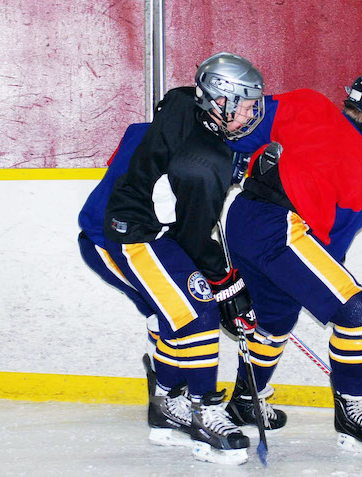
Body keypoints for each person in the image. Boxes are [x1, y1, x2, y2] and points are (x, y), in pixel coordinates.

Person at [77, 52, 264, 465]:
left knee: (176, 313)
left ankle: (166, 406)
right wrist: (229, 287)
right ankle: (202, 409)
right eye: (248, 104)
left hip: (149, 226)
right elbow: (195, 237)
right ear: (220, 102)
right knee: (199, 310)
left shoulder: (185, 102)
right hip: (134, 232)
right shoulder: (205, 165)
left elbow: (174, 107)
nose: (253, 112)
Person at [221, 72, 362, 454]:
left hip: (243, 219)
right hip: (280, 230)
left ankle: (245, 400)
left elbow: (240, 134)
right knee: (357, 311)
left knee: (274, 323)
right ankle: (351, 407)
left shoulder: (308, 102)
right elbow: (332, 245)